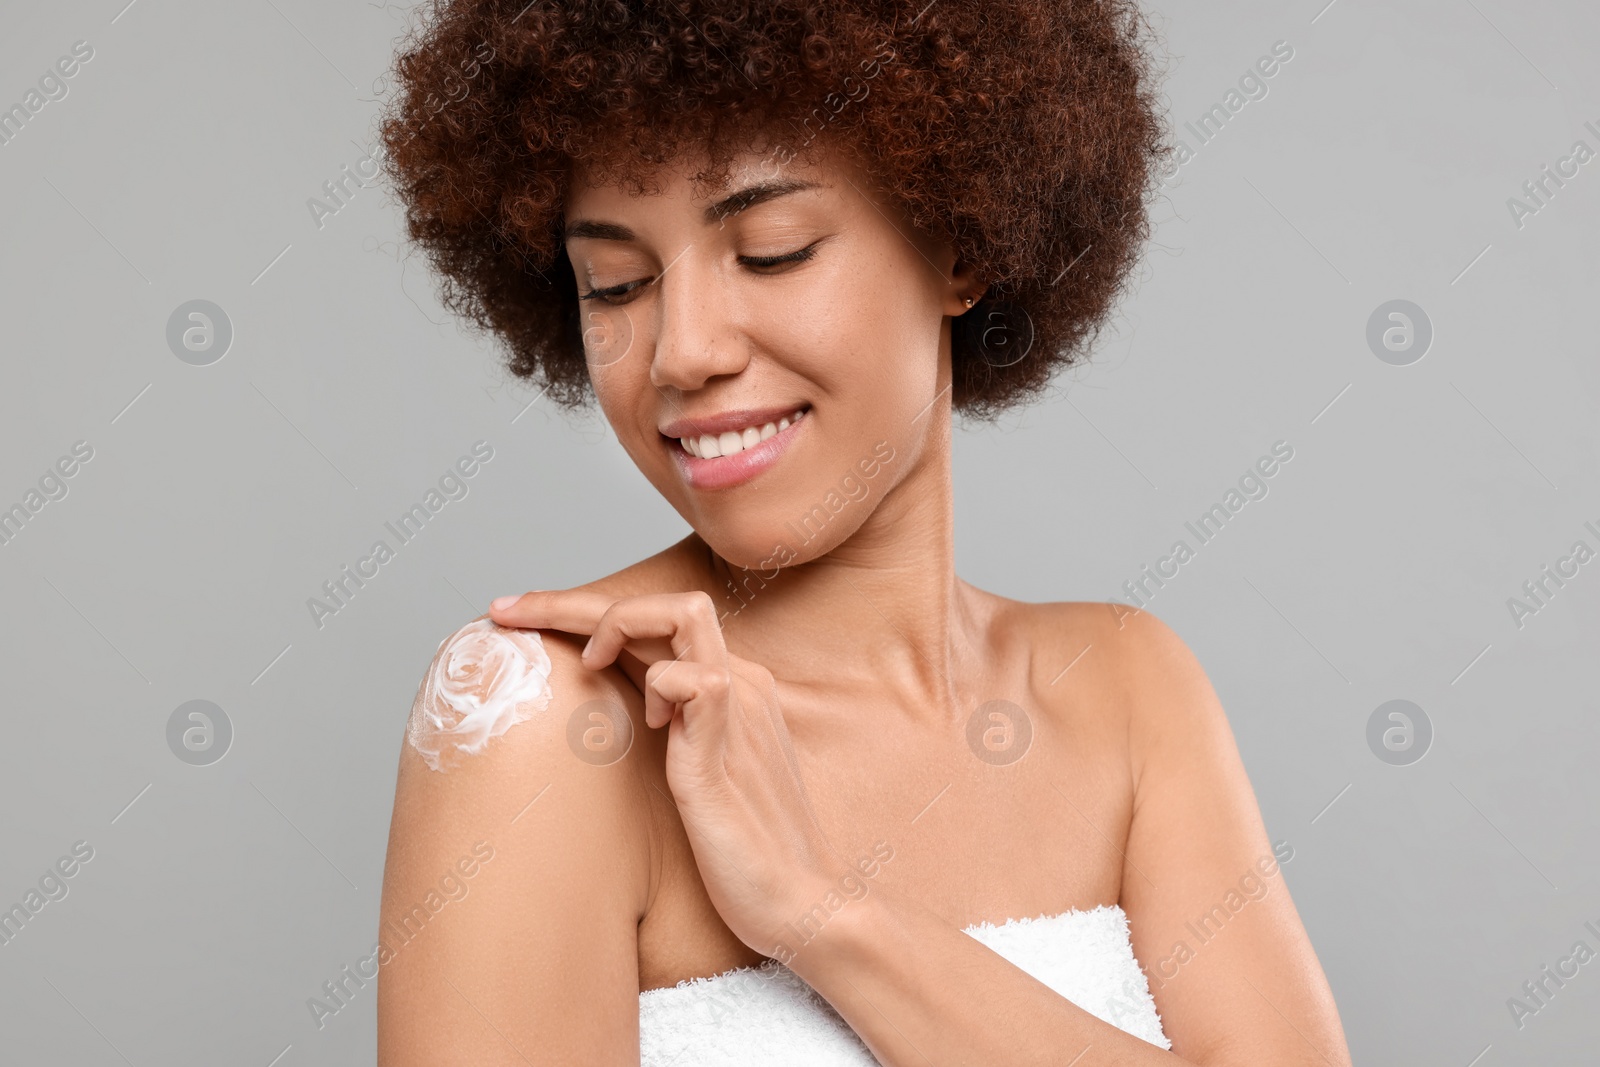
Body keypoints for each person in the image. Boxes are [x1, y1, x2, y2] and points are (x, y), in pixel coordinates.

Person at [373, 2, 1353, 1063]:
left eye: (772, 251)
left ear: (960, 249)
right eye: (616, 283)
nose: (680, 351)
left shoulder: (1123, 689)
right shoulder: (546, 726)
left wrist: (822, 911)